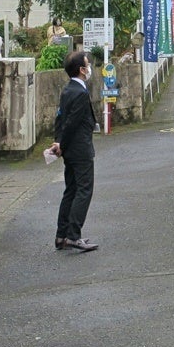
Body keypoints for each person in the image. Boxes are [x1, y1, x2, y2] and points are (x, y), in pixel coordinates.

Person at [47, 50, 99, 252]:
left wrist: (58, 141)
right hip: (80, 149)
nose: (89, 68)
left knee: (71, 190)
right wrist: (62, 143)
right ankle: (73, 235)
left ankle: (62, 235)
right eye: (87, 64)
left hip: (70, 150)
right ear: (81, 70)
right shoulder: (80, 93)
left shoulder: (67, 90)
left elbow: (60, 119)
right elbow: (71, 123)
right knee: (84, 190)